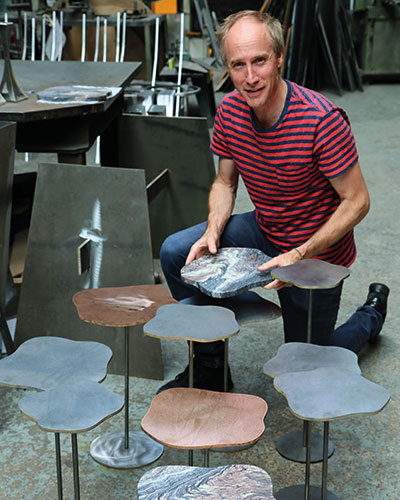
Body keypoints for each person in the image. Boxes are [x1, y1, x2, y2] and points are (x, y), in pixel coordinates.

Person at [158, 10, 390, 393]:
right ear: (227, 67)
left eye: (260, 61)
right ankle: (212, 365)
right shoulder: (231, 109)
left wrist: (298, 256)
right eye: (238, 65)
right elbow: (224, 182)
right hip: (266, 231)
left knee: (306, 370)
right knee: (177, 252)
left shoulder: (321, 119)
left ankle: (369, 316)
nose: (250, 78)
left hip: (316, 255)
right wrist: (213, 231)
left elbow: (357, 201)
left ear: (279, 57)